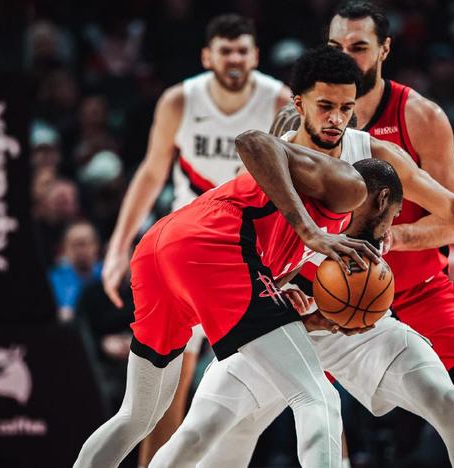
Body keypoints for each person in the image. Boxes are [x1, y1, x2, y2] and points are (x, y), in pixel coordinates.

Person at [148, 46, 454, 468]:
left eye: (346, 108)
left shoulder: (375, 157)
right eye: (325, 106)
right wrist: (273, 296)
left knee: (448, 402)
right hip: (283, 326)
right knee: (205, 436)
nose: (336, 119)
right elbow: (237, 253)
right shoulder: (272, 160)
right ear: (300, 104)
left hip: (360, 323)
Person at [281, 3, 454, 465]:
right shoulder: (301, 120)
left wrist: (395, 237)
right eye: (336, 46)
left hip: (417, 289)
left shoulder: (420, 117)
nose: (346, 56)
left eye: (358, 47)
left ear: (385, 50)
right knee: (321, 423)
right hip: (328, 290)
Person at [74, 76, 385, 466]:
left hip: (160, 248)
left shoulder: (291, 208)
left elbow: (260, 282)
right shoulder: (341, 186)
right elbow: (253, 140)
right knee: (316, 397)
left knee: (137, 415)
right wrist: (310, 232)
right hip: (212, 248)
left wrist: (291, 300)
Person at [98, 13, 292, 464]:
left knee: (281, 384)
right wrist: (117, 247)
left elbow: (290, 184)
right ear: (207, 56)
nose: (234, 59)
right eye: (225, 51)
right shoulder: (179, 101)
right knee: (168, 390)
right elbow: (151, 174)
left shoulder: (278, 101)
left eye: (242, 50)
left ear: (255, 56)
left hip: (250, 252)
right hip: (187, 250)